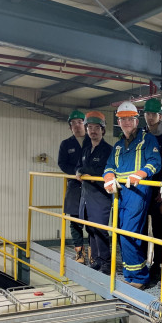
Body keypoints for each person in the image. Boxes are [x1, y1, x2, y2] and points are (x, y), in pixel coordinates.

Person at [103, 101, 161, 289]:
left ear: (137, 120)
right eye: (122, 119)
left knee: (128, 233)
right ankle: (130, 273)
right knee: (122, 234)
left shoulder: (148, 139)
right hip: (119, 194)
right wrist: (109, 177)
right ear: (118, 122)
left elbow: (155, 162)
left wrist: (140, 174)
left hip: (138, 192)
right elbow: (109, 165)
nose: (126, 122)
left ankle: (140, 277)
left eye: (130, 119)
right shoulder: (118, 145)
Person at [76, 111, 113, 275]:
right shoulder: (86, 149)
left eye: (97, 128)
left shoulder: (107, 150)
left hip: (100, 196)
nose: (93, 131)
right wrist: (79, 170)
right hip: (86, 195)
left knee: (100, 229)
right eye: (90, 127)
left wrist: (84, 171)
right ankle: (97, 259)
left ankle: (106, 262)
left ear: (103, 130)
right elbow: (79, 166)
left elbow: (103, 170)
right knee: (90, 229)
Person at [142, 99, 162, 281]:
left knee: (159, 230)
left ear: (160, 116)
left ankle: (158, 266)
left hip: (158, 193)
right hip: (141, 191)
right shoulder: (142, 137)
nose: (150, 117)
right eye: (148, 114)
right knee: (140, 229)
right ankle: (142, 262)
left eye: (154, 114)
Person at [58, 110, 90, 264]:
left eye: (79, 122)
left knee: (92, 220)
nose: (77, 126)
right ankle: (80, 253)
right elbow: (62, 163)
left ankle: (93, 253)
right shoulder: (66, 144)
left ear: (85, 124)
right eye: (73, 123)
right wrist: (76, 172)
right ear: (70, 127)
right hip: (74, 186)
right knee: (75, 220)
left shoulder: (92, 141)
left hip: (92, 186)